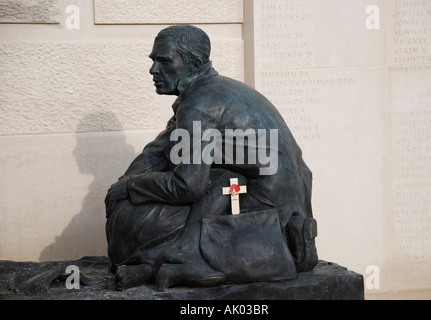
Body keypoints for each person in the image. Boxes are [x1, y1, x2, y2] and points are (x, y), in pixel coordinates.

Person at [105, 25, 318, 291]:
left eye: (164, 61)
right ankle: (162, 264)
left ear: (193, 63)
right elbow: (166, 147)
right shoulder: (221, 90)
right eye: (153, 60)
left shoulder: (199, 104)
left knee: (136, 219)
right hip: (293, 214)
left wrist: (130, 185)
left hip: (264, 220)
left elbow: (187, 186)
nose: (153, 70)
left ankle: (180, 262)